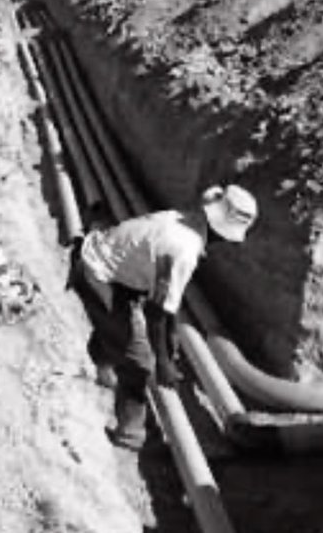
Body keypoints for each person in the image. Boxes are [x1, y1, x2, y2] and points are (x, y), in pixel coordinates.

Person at [68, 184, 258, 450]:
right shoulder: (184, 249)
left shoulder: (184, 221)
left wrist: (170, 339)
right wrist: (162, 363)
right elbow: (156, 312)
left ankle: (104, 365)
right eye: (230, 238)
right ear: (222, 232)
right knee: (139, 361)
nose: (228, 244)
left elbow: (166, 306)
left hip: (108, 266)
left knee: (118, 329)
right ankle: (130, 432)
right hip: (99, 276)